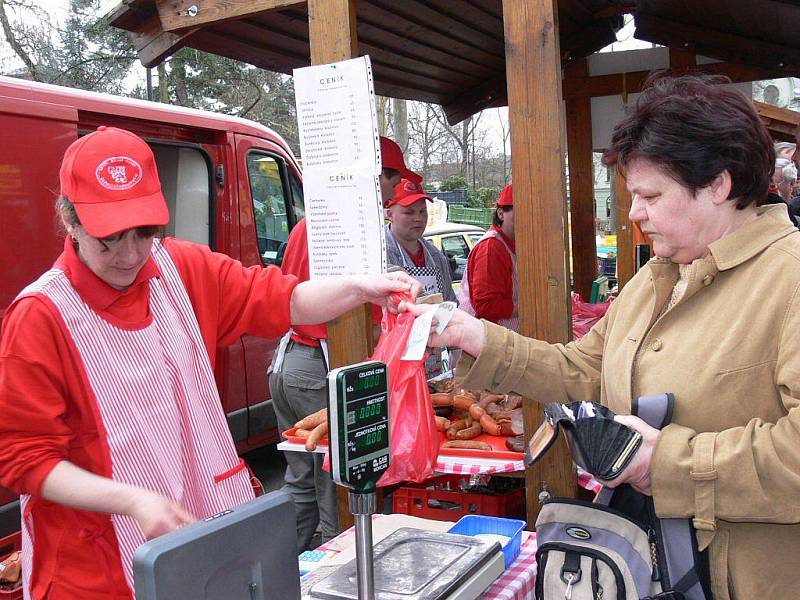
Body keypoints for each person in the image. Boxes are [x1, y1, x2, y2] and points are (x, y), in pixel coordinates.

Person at [404, 75, 800, 599]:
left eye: (650, 195)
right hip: (651, 568)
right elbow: (583, 369)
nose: (634, 213)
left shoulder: (789, 277)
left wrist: (663, 463)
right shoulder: (659, 276)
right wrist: (473, 335)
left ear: (719, 185)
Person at [0, 127, 420, 599]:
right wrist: (133, 501)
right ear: (70, 222)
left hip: (198, 541)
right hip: (93, 570)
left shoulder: (180, 268)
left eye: (143, 232)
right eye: (108, 239)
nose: (130, 254)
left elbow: (286, 298)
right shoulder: (39, 316)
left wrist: (361, 288)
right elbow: (24, 460)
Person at [269, 136, 419, 552]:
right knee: (338, 478)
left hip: (287, 362)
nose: (395, 193)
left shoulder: (309, 223)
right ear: (377, 179)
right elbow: (362, 314)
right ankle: (340, 571)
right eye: (393, 182)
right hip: (317, 364)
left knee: (301, 481)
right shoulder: (351, 230)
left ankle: (288, 571)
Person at [384, 178, 457, 304]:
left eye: (422, 211)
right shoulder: (380, 255)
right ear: (390, 214)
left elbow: (450, 302)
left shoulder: (436, 257)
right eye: (409, 212)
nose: (418, 218)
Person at [457, 183, 517, 331]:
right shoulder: (491, 247)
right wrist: (528, 307)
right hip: (484, 344)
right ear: (501, 213)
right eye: (520, 212)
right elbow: (486, 306)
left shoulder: (517, 245)